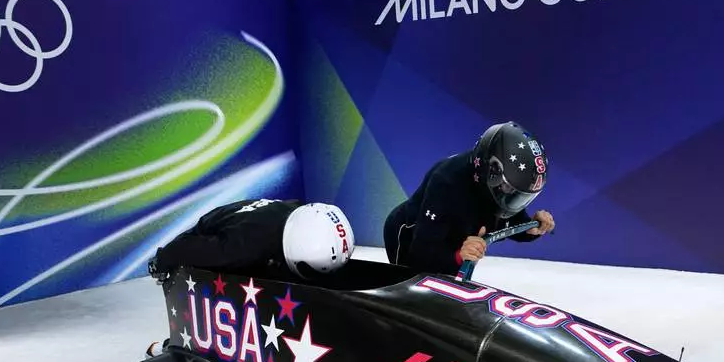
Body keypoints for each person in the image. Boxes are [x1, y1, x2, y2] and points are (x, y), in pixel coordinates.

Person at [383, 121, 555, 275]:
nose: (511, 198)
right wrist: (458, 256)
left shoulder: (498, 190)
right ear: (491, 172)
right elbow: (420, 257)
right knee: (412, 285)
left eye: (519, 196)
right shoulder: (446, 183)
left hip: (452, 240)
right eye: (509, 189)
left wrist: (531, 228)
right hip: (410, 236)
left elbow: (507, 220)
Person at [148, 198, 355, 281]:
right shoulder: (242, 248)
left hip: (259, 217)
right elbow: (183, 249)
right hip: (217, 226)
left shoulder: (304, 213)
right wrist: (160, 261)